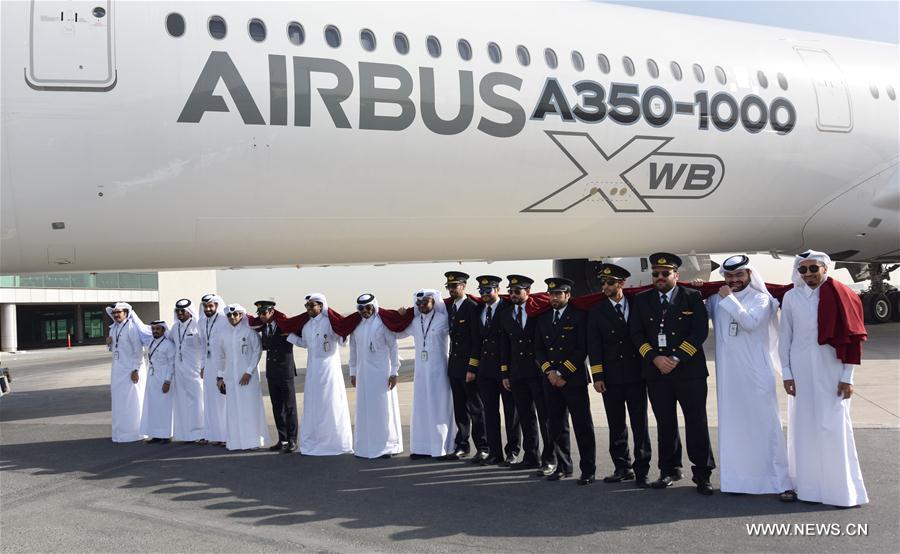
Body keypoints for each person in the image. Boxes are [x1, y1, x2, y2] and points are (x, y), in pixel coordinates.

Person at [779, 250, 869, 508]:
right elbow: (785, 337)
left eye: (813, 269)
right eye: (803, 269)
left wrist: (848, 376)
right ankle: (808, 489)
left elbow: (853, 339)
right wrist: (787, 373)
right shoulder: (791, 297)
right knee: (804, 427)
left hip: (832, 369)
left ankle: (840, 491)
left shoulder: (844, 294)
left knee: (833, 426)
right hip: (800, 370)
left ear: (825, 268)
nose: (808, 274)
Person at [708, 255, 793, 500]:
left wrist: (729, 298)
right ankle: (738, 480)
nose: (734, 280)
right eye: (729, 276)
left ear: (749, 275)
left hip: (756, 373)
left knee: (765, 425)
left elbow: (749, 322)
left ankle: (778, 481)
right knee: (734, 426)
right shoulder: (716, 299)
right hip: (729, 376)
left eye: (739, 275)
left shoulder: (761, 299)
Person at [630, 252, 715, 495]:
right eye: (655, 273)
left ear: (676, 275)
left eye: (665, 273)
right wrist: (654, 358)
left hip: (689, 371)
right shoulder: (642, 299)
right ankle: (668, 470)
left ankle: (702, 474)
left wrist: (676, 358)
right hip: (657, 372)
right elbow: (636, 334)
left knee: (696, 423)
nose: (659, 277)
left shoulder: (692, 297)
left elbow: (699, 332)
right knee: (665, 424)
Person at [587, 263, 651, 487]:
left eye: (610, 283)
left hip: (636, 375)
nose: (605, 286)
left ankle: (642, 470)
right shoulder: (596, 311)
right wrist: (598, 376)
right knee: (616, 425)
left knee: (640, 425)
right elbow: (594, 346)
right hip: (611, 378)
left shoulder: (637, 304)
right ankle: (622, 467)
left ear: (621, 284)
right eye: (603, 283)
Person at [535, 278, 596, 486]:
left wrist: (562, 372)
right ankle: (563, 466)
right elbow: (538, 349)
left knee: (582, 425)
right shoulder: (543, 318)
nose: (553, 298)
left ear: (567, 295)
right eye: (551, 294)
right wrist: (550, 372)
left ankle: (588, 469)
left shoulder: (579, 316)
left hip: (573, 378)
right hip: (551, 380)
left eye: (558, 294)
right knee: (557, 425)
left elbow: (582, 348)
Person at [498, 274, 560, 475]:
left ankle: (550, 458)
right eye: (510, 291)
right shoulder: (506, 314)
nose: (513, 295)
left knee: (545, 416)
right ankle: (531, 456)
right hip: (517, 373)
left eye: (517, 291)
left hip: (537, 372)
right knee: (525, 417)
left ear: (528, 292)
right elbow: (504, 345)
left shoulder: (538, 312)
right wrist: (505, 373)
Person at [287, 293, 353, 455]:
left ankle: (336, 442)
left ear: (321, 306)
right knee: (314, 405)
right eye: (307, 306)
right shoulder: (307, 326)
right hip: (312, 370)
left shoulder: (330, 322)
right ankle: (316, 441)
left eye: (312, 305)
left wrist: (344, 332)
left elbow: (342, 341)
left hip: (330, 370)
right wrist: (289, 336)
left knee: (331, 403)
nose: (308, 309)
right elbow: (305, 343)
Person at [397, 289, 456, 459]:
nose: (421, 305)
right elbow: (398, 332)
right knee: (421, 408)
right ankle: (421, 448)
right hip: (421, 373)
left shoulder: (443, 319)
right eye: (418, 303)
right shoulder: (415, 322)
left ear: (433, 302)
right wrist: (401, 317)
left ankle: (441, 447)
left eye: (425, 302)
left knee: (439, 408)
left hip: (439, 371)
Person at [470, 275, 521, 466]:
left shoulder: (508, 308)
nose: (484, 294)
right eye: (481, 290)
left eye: (488, 290)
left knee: (511, 413)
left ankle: (513, 451)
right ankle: (494, 452)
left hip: (504, 369)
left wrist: (507, 370)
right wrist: (473, 368)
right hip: (485, 370)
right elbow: (476, 342)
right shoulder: (478, 311)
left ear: (498, 290)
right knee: (490, 413)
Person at [348, 293, 403, 459]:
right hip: (363, 374)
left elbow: (393, 347)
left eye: (368, 307)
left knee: (383, 410)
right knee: (365, 410)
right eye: (361, 308)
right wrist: (353, 372)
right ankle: (365, 446)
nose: (365, 311)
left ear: (374, 306)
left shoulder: (382, 323)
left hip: (382, 374)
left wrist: (394, 372)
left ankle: (387, 446)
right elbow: (353, 350)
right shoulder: (357, 326)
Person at [444, 271, 488, 462]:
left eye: (455, 286)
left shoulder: (472, 307)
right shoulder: (451, 307)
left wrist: (472, 368)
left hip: (468, 368)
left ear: (463, 286)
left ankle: (483, 447)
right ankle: (462, 445)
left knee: (476, 409)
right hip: (454, 366)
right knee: (460, 408)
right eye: (449, 287)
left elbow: (477, 340)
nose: (451, 289)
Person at [217, 304, 269, 451]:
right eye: (229, 315)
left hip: (248, 377)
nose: (232, 317)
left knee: (250, 408)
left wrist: (249, 371)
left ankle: (253, 441)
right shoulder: (223, 334)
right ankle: (236, 442)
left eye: (235, 314)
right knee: (233, 409)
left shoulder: (249, 331)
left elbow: (257, 351)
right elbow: (220, 356)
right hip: (230, 378)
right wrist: (220, 377)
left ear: (241, 315)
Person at [255, 300, 299, 453]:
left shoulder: (284, 325)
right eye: (259, 314)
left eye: (264, 313)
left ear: (272, 312)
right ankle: (282, 439)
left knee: (289, 407)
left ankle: (292, 440)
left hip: (285, 371)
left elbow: (298, 334)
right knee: (277, 407)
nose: (261, 316)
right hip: (272, 372)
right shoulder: (264, 328)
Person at [106, 302, 152, 442]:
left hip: (131, 370)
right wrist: (109, 343)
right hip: (117, 369)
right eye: (114, 313)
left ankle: (135, 433)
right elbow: (114, 349)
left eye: (118, 312)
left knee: (133, 400)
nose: (116, 315)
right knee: (119, 401)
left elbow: (138, 351)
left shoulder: (132, 327)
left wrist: (135, 369)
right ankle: (120, 433)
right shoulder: (113, 328)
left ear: (125, 313)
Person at [169, 299, 205, 443]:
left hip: (195, 370)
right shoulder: (175, 327)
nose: (180, 313)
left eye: (183, 311)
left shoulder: (197, 326)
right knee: (182, 401)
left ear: (189, 312)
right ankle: (187, 434)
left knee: (197, 401)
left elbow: (205, 347)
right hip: (180, 370)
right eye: (178, 311)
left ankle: (201, 433)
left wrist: (203, 366)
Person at [199, 294, 228, 446]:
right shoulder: (202, 322)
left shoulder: (224, 319)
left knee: (222, 399)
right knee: (210, 399)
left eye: (210, 306)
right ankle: (215, 434)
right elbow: (203, 345)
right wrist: (202, 366)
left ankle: (226, 435)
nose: (208, 309)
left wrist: (222, 372)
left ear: (216, 305)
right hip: (209, 363)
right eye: (205, 306)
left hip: (223, 363)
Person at [140, 320, 175, 443]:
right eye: (153, 329)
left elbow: (172, 364)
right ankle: (156, 434)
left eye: (157, 329)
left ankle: (165, 435)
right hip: (152, 378)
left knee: (164, 407)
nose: (155, 331)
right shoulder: (151, 342)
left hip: (163, 379)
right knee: (153, 407)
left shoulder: (169, 345)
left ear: (163, 330)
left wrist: (167, 381)